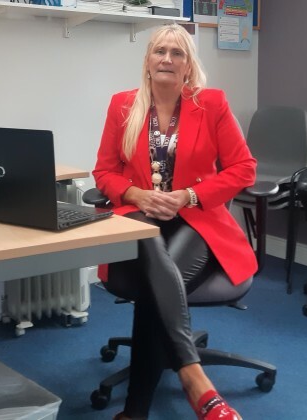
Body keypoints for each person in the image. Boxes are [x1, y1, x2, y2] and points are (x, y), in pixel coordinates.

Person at [92, 23, 257, 420]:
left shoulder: (211, 104)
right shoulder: (122, 105)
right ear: (147, 61)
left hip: (197, 220)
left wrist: (189, 195)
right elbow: (104, 172)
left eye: (177, 53)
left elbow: (243, 168)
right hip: (140, 216)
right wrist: (135, 194)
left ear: (188, 66)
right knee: (146, 236)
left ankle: (134, 411)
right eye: (159, 51)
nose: (167, 59)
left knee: (154, 291)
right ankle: (195, 379)